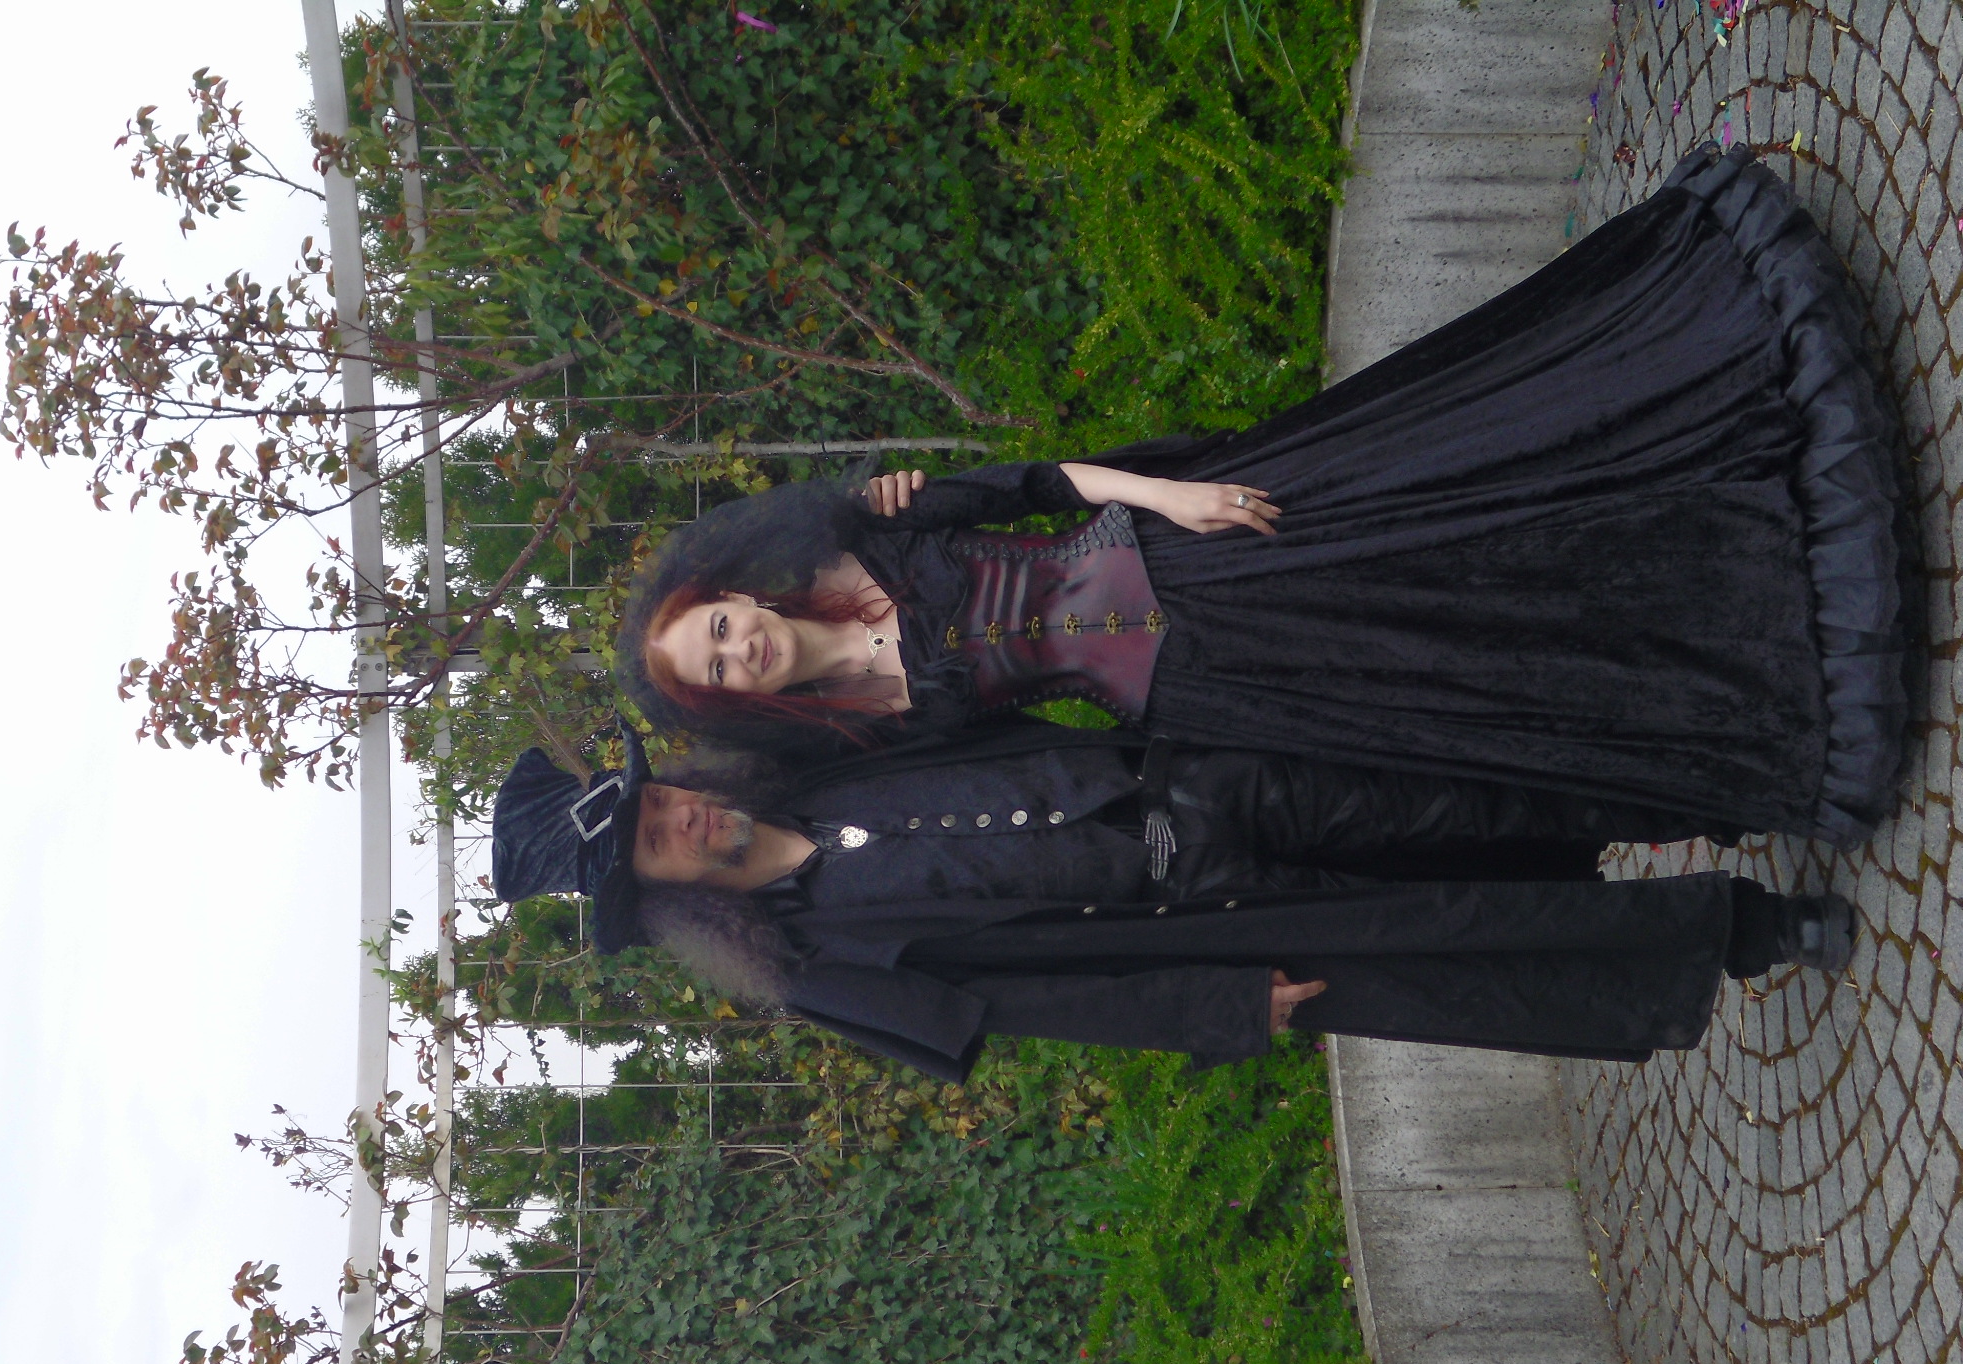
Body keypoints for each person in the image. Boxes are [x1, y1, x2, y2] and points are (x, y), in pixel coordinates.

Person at [616, 144, 1909, 848]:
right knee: (1469, 649)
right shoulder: (876, 738)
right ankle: (1771, 655)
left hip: (1188, 552)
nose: (736, 649)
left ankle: (1730, 404)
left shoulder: (874, 528)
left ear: (735, 595)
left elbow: (1041, 481)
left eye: (716, 627)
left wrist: (1170, 498)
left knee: (1463, 499)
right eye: (715, 670)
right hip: (1208, 682)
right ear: (735, 700)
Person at [489, 725, 1856, 1083]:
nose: (684, 815)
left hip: (1191, 778)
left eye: (661, 798)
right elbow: (1027, 1007)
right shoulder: (813, 969)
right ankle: (1746, 930)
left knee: (1471, 799)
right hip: (1197, 918)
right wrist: (1216, 1006)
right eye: (658, 839)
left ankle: (1729, 789)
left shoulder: (814, 754)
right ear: (662, 895)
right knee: (1458, 928)